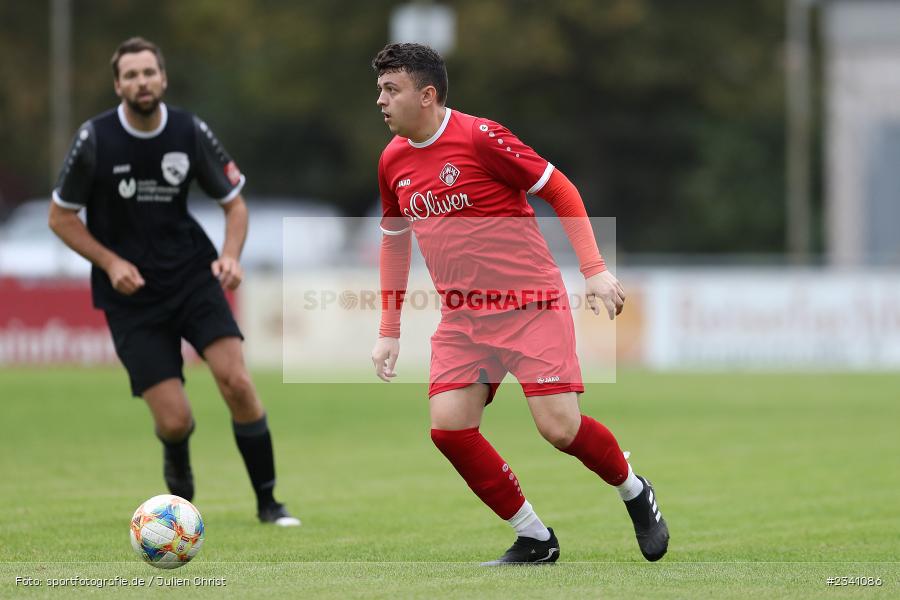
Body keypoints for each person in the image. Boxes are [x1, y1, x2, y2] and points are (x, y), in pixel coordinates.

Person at [370, 43, 668, 564]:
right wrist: (388, 330)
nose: (381, 101)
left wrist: (594, 270)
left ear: (427, 94)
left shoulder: (480, 137)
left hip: (530, 306)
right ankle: (534, 538)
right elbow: (395, 241)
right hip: (463, 318)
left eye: (391, 90)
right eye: (380, 90)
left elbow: (561, 190)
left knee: (560, 429)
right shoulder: (392, 160)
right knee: (449, 429)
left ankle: (634, 490)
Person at [48, 37, 299, 527]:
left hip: (192, 277)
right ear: (118, 85)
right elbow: (60, 217)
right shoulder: (95, 139)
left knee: (237, 382)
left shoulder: (188, 130)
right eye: (131, 75)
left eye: (149, 72)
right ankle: (180, 485)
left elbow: (235, 205)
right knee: (174, 420)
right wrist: (111, 263)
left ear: (162, 78)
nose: (142, 82)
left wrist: (230, 257)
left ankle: (270, 504)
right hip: (131, 296)